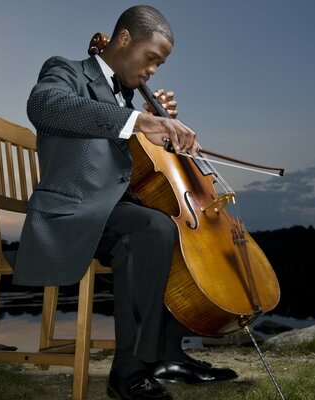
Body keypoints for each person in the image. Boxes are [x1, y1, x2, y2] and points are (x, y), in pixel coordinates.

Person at [12, 5, 237, 400]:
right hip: (74, 211)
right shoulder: (67, 70)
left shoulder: (128, 102)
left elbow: (130, 162)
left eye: (159, 64)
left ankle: (169, 354)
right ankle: (129, 372)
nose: (153, 71)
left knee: (172, 227)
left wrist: (146, 121)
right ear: (124, 39)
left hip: (116, 209)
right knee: (152, 229)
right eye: (151, 58)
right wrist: (140, 121)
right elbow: (44, 107)